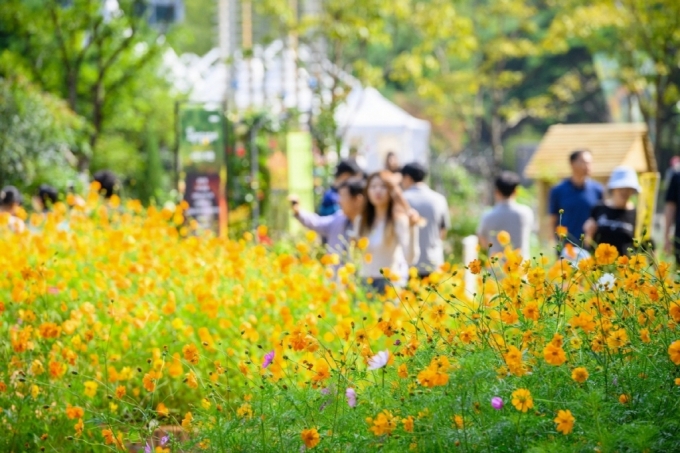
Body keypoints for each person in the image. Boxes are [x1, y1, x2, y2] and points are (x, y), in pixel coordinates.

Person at [356, 171, 420, 293]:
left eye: (383, 186)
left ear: (392, 191)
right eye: (373, 186)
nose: (377, 191)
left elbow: (410, 258)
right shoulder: (361, 221)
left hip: (389, 283)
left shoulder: (398, 221)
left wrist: (413, 228)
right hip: (364, 282)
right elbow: (355, 256)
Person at [291, 177, 366, 256]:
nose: (339, 201)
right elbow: (317, 223)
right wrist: (298, 211)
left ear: (358, 200)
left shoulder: (370, 225)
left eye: (343, 196)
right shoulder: (339, 218)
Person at [400, 162, 451, 278]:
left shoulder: (402, 199)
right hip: (434, 262)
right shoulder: (439, 199)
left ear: (407, 178)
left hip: (408, 264)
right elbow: (442, 232)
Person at [584, 166, 642, 256]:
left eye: (628, 189)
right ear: (613, 189)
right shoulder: (599, 208)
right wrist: (588, 233)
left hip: (623, 267)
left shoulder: (636, 214)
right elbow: (588, 242)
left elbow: (642, 245)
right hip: (598, 266)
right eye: (621, 188)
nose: (625, 192)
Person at [549, 150, 603, 245]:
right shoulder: (558, 190)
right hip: (565, 246)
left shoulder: (598, 190)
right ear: (572, 164)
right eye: (585, 162)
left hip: (589, 246)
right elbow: (553, 218)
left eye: (590, 163)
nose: (588, 166)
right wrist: (553, 240)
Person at [477, 171, 534, 258]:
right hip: (520, 267)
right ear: (515, 191)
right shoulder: (526, 213)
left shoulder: (487, 216)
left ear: (496, 192)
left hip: (496, 268)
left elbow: (483, 242)